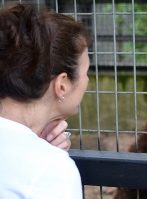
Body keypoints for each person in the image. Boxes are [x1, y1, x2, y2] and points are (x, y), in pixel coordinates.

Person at [0, 3, 90, 199]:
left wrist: (38, 145)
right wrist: (46, 158)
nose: (87, 81)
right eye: (86, 73)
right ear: (62, 85)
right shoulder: (52, 171)